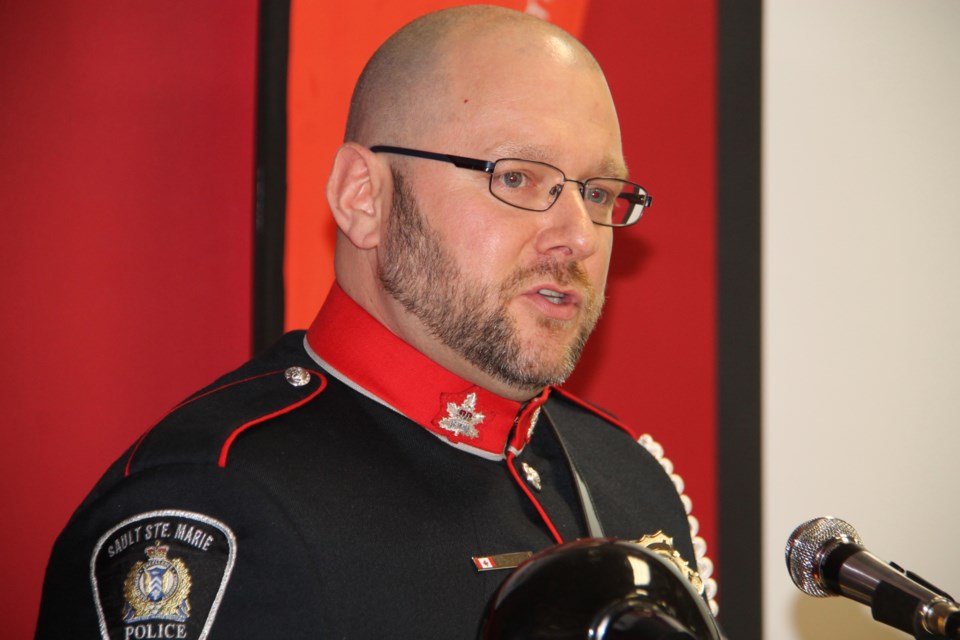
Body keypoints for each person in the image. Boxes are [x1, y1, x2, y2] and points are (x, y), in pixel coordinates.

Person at [37, 5, 710, 638]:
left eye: (598, 193)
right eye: (518, 178)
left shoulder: (625, 476)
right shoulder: (222, 506)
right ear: (363, 198)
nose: (579, 237)